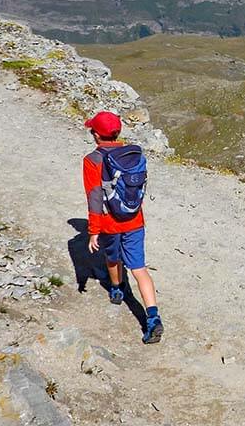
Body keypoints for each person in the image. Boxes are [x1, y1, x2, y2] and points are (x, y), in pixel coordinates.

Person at [82, 110, 163, 344]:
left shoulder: (92, 160)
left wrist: (93, 230)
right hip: (135, 220)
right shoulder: (132, 154)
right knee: (139, 268)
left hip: (109, 223)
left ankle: (117, 288)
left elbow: (94, 197)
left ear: (96, 135)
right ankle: (153, 317)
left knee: (112, 257)